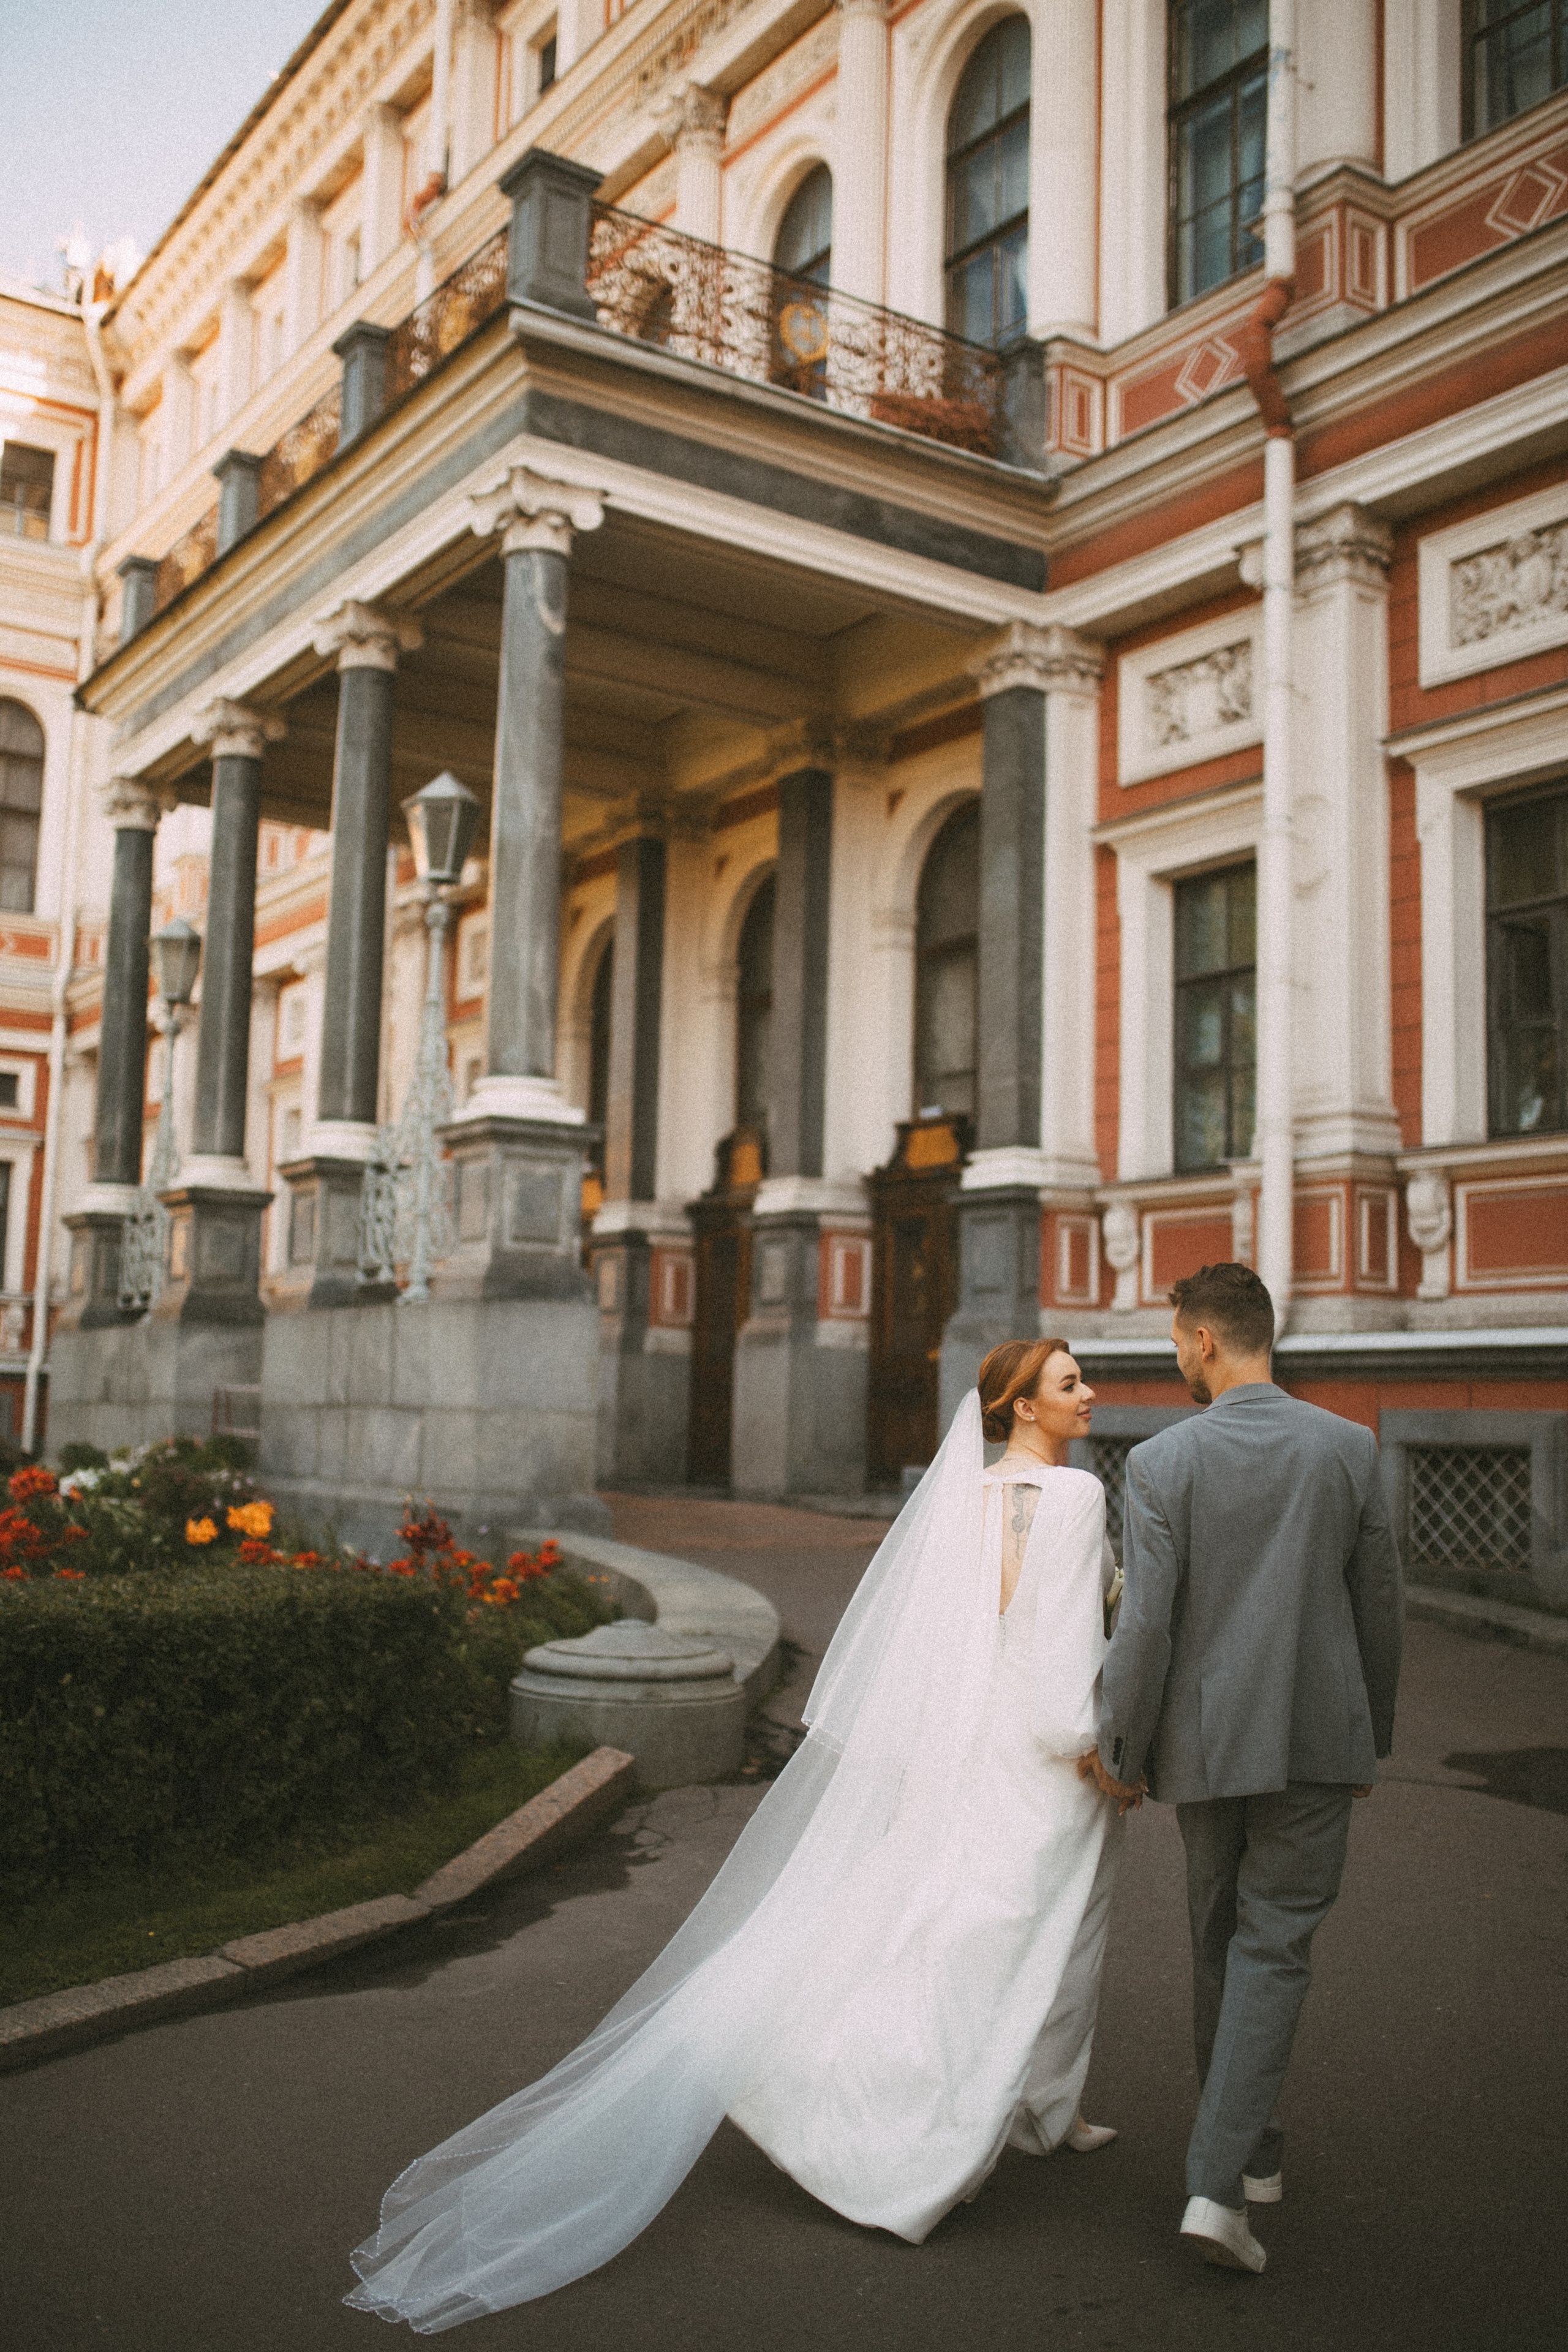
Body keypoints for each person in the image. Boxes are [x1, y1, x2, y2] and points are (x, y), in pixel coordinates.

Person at [347, 1340, 1128, 2331]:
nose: (1090, 1394)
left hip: (960, 1742)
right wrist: (1094, 1748)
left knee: (949, 1912)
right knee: (1015, 1930)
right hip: (1041, 1748)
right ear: (1021, 1407)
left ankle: (1046, 2103)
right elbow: (1062, 1649)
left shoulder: (966, 1500)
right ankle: (897, 2133)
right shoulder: (1073, 1501)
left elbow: (943, 1641)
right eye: (1070, 1385)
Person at [1083, 1262, 1403, 2277]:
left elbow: (1147, 1630)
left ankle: (1242, 2161)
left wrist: (1122, 1749)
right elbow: (1379, 1610)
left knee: (1221, 1940)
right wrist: (1371, 1737)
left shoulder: (1163, 1463)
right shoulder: (1351, 1449)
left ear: (1208, 1342)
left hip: (1208, 1747)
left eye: (1178, 1339)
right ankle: (1225, 2181)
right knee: (1274, 1948)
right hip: (1317, 1741)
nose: (1176, 1354)